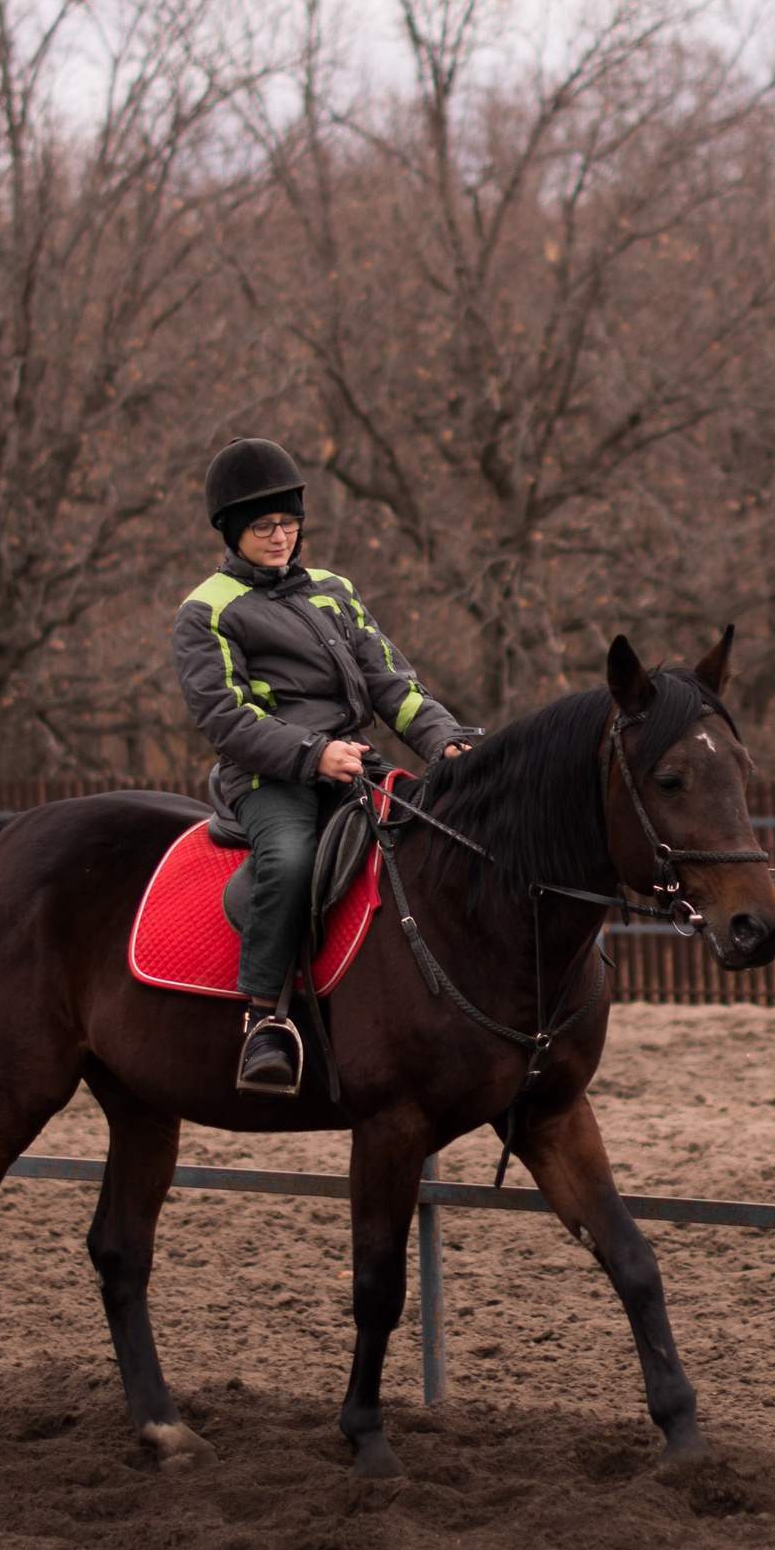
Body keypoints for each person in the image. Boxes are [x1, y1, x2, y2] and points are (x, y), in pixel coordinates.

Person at [172, 438, 477, 1093]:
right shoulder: (207, 610)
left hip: (352, 761)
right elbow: (224, 719)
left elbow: (393, 681)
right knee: (290, 856)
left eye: (288, 523)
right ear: (232, 531)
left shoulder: (334, 590)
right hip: (266, 777)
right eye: (263, 527)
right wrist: (314, 755)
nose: (280, 536)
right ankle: (263, 1020)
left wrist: (444, 741)